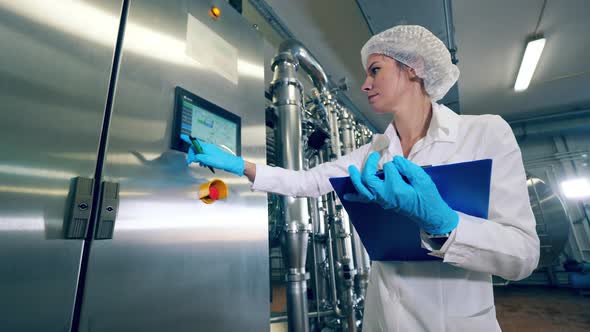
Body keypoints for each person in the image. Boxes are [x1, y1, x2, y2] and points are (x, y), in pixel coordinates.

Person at [181, 25, 540, 331]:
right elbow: (306, 182)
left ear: (413, 68)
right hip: (384, 320)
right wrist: (240, 165)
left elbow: (523, 255)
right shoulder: (374, 151)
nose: (365, 84)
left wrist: (447, 225)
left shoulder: (485, 133)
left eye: (375, 70)